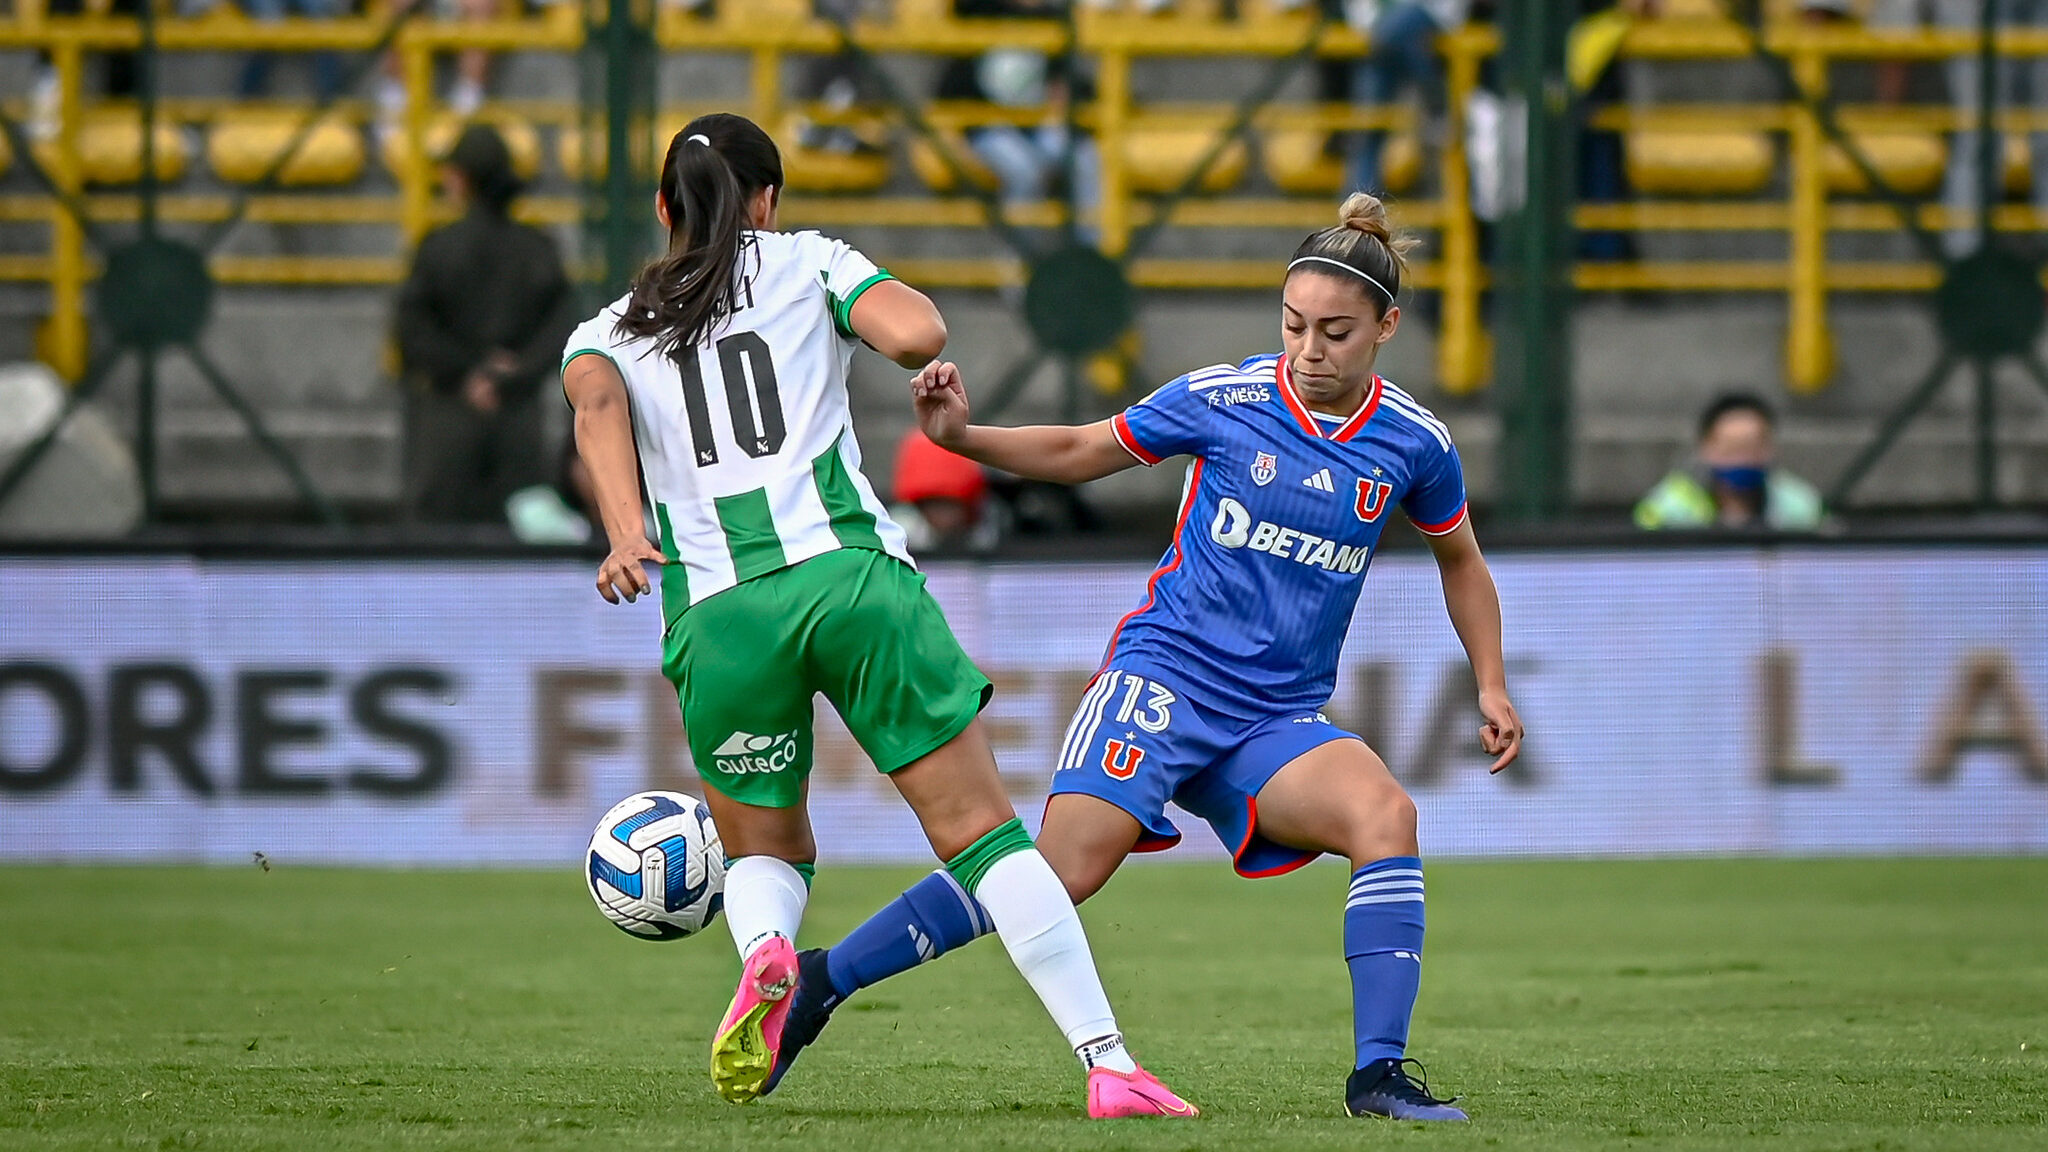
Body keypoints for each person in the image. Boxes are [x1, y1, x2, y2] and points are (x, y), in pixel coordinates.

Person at [766, 192, 1526, 1123]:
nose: (1309, 349)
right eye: (1294, 325)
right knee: (1058, 874)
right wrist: (964, 439)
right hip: (1161, 683)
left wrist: (1490, 680)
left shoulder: (1414, 441)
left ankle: (1378, 1076)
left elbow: (1462, 560)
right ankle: (822, 980)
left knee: (1385, 816)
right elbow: (1086, 448)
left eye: (1335, 332)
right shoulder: (1226, 399)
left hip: (1275, 719)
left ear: (1386, 328)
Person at [559, 113, 1196, 1118]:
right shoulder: (808, 261)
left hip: (720, 613)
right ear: (766, 201)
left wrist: (623, 530)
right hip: (851, 581)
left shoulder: (606, 330)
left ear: (660, 209)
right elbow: (916, 335)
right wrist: (886, 332)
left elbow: (594, 411)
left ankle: (767, 949)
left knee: (766, 849)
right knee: (985, 838)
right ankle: (1107, 1063)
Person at [395, 124, 577, 524]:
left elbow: (412, 329)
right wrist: (515, 373)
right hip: (519, 421)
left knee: (440, 550)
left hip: (449, 423)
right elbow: (563, 325)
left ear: (460, 179)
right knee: (526, 539)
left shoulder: (438, 247)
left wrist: (468, 374)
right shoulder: (537, 248)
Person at [1633, 392, 1826, 531]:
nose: (1743, 460)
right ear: (1706, 448)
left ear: (1769, 448)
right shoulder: (1669, 509)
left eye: (1752, 448)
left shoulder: (1800, 505)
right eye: (1732, 449)